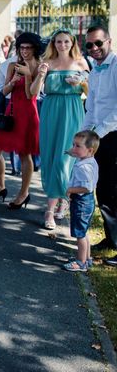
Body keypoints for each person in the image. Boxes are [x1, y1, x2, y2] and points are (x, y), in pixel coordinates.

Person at [30, 29, 88, 229]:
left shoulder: (81, 63)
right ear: (53, 44)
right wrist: (41, 75)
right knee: (51, 156)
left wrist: (82, 82)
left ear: (72, 43)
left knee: (66, 158)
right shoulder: (47, 63)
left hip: (72, 110)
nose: (62, 45)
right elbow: (34, 92)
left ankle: (51, 209)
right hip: (51, 111)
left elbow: (92, 91)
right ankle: (60, 200)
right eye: (58, 42)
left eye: (66, 42)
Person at [0, 32, 42, 209]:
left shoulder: (40, 67)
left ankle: (23, 193)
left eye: (28, 47)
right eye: (21, 47)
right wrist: (15, 78)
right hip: (12, 111)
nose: (24, 51)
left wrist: (28, 76)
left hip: (28, 113)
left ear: (34, 48)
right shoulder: (13, 65)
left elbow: (30, 94)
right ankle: (0, 186)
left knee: (24, 153)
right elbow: (5, 91)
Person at [80, 25, 117, 266]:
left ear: (109, 42)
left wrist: (98, 133)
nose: (94, 49)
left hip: (113, 134)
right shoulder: (94, 71)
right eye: (89, 45)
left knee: (115, 190)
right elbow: (91, 107)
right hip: (98, 137)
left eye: (98, 43)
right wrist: (83, 136)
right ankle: (111, 239)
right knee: (102, 190)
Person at [62, 130, 100, 272]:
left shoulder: (84, 167)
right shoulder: (88, 159)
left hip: (82, 201)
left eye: (77, 146)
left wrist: (70, 190)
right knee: (83, 232)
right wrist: (70, 151)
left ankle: (81, 262)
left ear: (89, 150)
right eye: (73, 144)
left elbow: (87, 187)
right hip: (86, 202)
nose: (74, 148)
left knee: (80, 234)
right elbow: (76, 153)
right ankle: (87, 259)